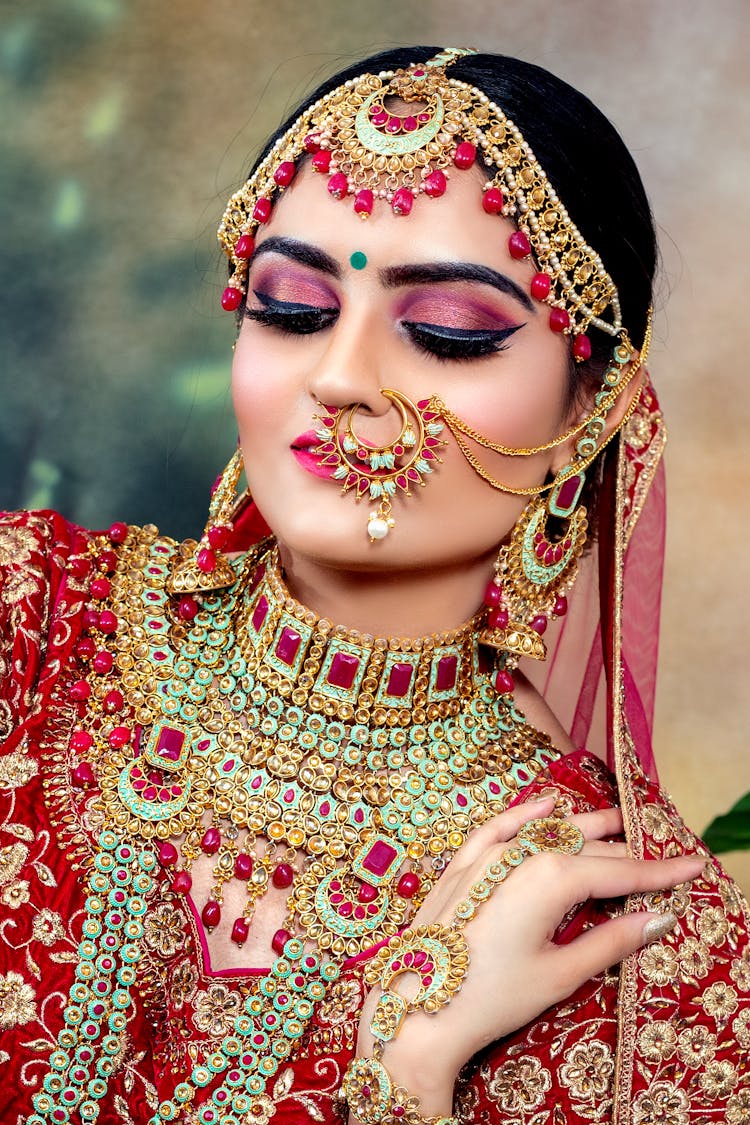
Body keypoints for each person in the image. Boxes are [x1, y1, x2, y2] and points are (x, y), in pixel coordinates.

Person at [0, 44, 747, 1125]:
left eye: (447, 334)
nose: (342, 378)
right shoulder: (30, 620)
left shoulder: (616, 921)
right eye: (292, 308)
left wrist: (412, 1072)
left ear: (590, 410)